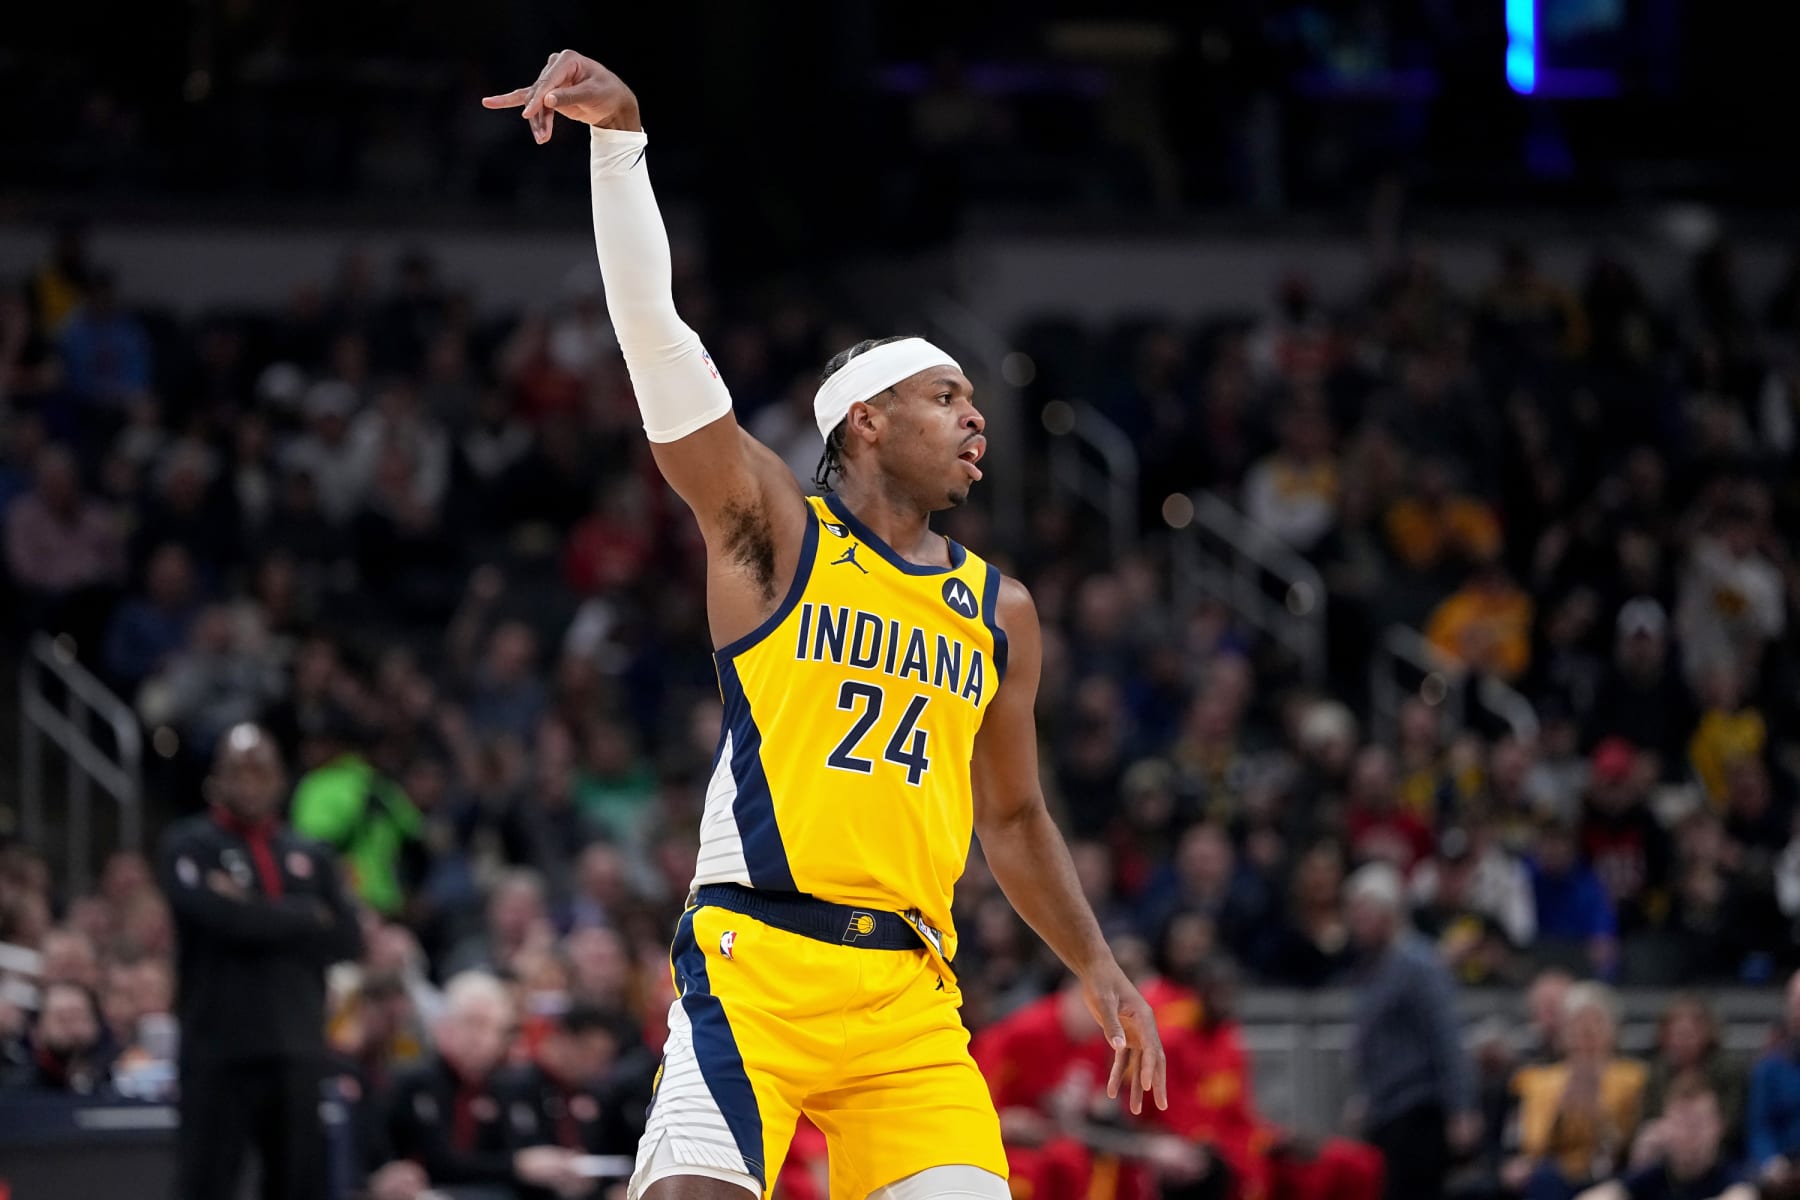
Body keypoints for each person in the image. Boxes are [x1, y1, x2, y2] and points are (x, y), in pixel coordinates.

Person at [482, 50, 1166, 1200]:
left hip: (908, 995)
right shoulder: (774, 534)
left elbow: (1011, 814)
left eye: (971, 398)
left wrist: (1097, 965)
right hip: (756, 966)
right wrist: (622, 145)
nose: (974, 416)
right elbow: (657, 339)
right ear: (863, 421)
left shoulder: (1002, 609)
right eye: (944, 396)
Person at [158, 722, 366, 1200]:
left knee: (298, 1184)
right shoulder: (188, 844)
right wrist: (304, 914)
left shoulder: (311, 854)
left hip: (296, 1046)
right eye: (239, 772)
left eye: (262, 773)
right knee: (204, 1183)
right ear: (217, 780)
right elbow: (216, 919)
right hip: (218, 1048)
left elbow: (347, 938)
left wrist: (248, 907)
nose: (250, 784)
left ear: (280, 780)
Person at [371, 971, 587, 1200]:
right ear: (446, 1026)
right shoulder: (411, 1084)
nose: (479, 1038)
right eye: (471, 1023)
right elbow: (436, 1161)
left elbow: (517, 1155)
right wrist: (516, 1166)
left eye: (491, 1028)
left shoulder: (507, 1089)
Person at [1341, 862, 1480, 1200]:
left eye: (1363, 914)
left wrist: (1461, 1109)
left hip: (1418, 1112)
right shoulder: (1374, 966)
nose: (1356, 925)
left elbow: (1445, 1037)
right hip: (1386, 1111)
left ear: (1389, 913)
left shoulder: (1418, 964)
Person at [1507, 983, 1648, 1200]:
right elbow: (1534, 1148)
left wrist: (1601, 1119)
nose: (1587, 1033)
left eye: (1596, 1023)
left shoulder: (1633, 1078)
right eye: (1579, 1025)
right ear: (1564, 1033)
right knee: (1543, 1178)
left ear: (1613, 1030)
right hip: (1556, 1176)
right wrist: (1561, 1115)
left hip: (1613, 1172)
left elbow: (1632, 1147)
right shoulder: (1539, 1081)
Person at [1574, 1081, 1740, 1200]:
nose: (1688, 1133)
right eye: (1680, 1123)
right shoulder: (1655, 1174)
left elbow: (1743, 1194)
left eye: (1697, 1123)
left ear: (1719, 1127)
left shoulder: (1733, 1174)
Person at [5, 980, 113, 1095]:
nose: (72, 1027)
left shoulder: (115, 1081)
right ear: (37, 1031)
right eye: (61, 1019)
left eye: (79, 1016)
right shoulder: (18, 1090)